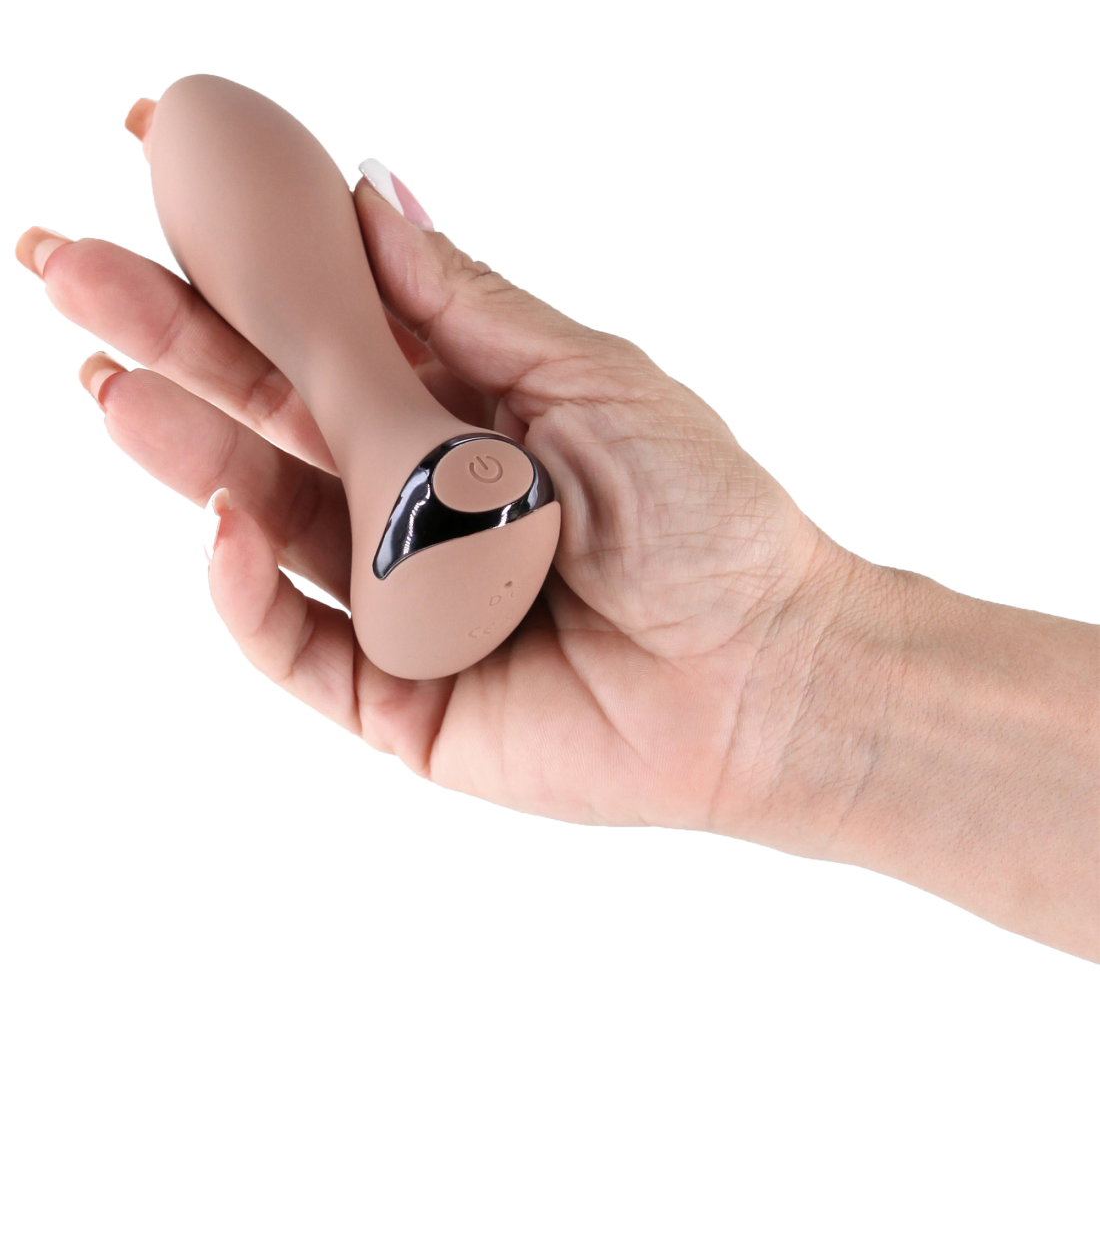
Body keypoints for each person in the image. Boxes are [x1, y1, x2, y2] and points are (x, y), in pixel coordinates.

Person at [15, 100, 1098, 964]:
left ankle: (180, 139)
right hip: (464, 501)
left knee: (213, 162)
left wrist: (791, 664)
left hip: (455, 506)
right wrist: (799, 674)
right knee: (217, 167)